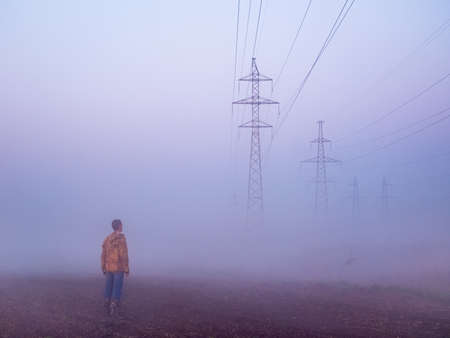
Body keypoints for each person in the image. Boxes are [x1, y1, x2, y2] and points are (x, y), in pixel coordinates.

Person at [101, 219, 130, 315]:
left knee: (108, 286)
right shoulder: (121, 238)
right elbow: (123, 254)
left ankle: (106, 303)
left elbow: (103, 253)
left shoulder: (107, 238)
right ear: (119, 226)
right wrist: (126, 268)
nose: (123, 226)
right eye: (122, 225)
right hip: (118, 267)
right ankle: (114, 305)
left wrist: (103, 266)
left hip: (109, 266)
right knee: (117, 287)